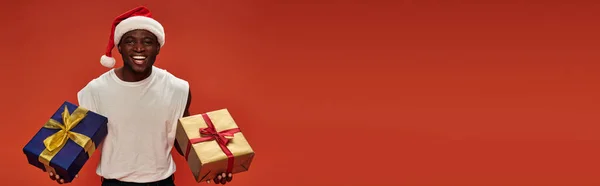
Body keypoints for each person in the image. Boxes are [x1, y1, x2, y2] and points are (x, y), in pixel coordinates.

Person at [45, 6, 233, 185]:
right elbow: (79, 140)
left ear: (158, 47)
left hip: (163, 183)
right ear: (119, 47)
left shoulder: (177, 88)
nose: (139, 48)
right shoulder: (95, 90)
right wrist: (59, 166)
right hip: (114, 184)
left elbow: (182, 141)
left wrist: (215, 165)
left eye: (147, 41)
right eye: (130, 41)